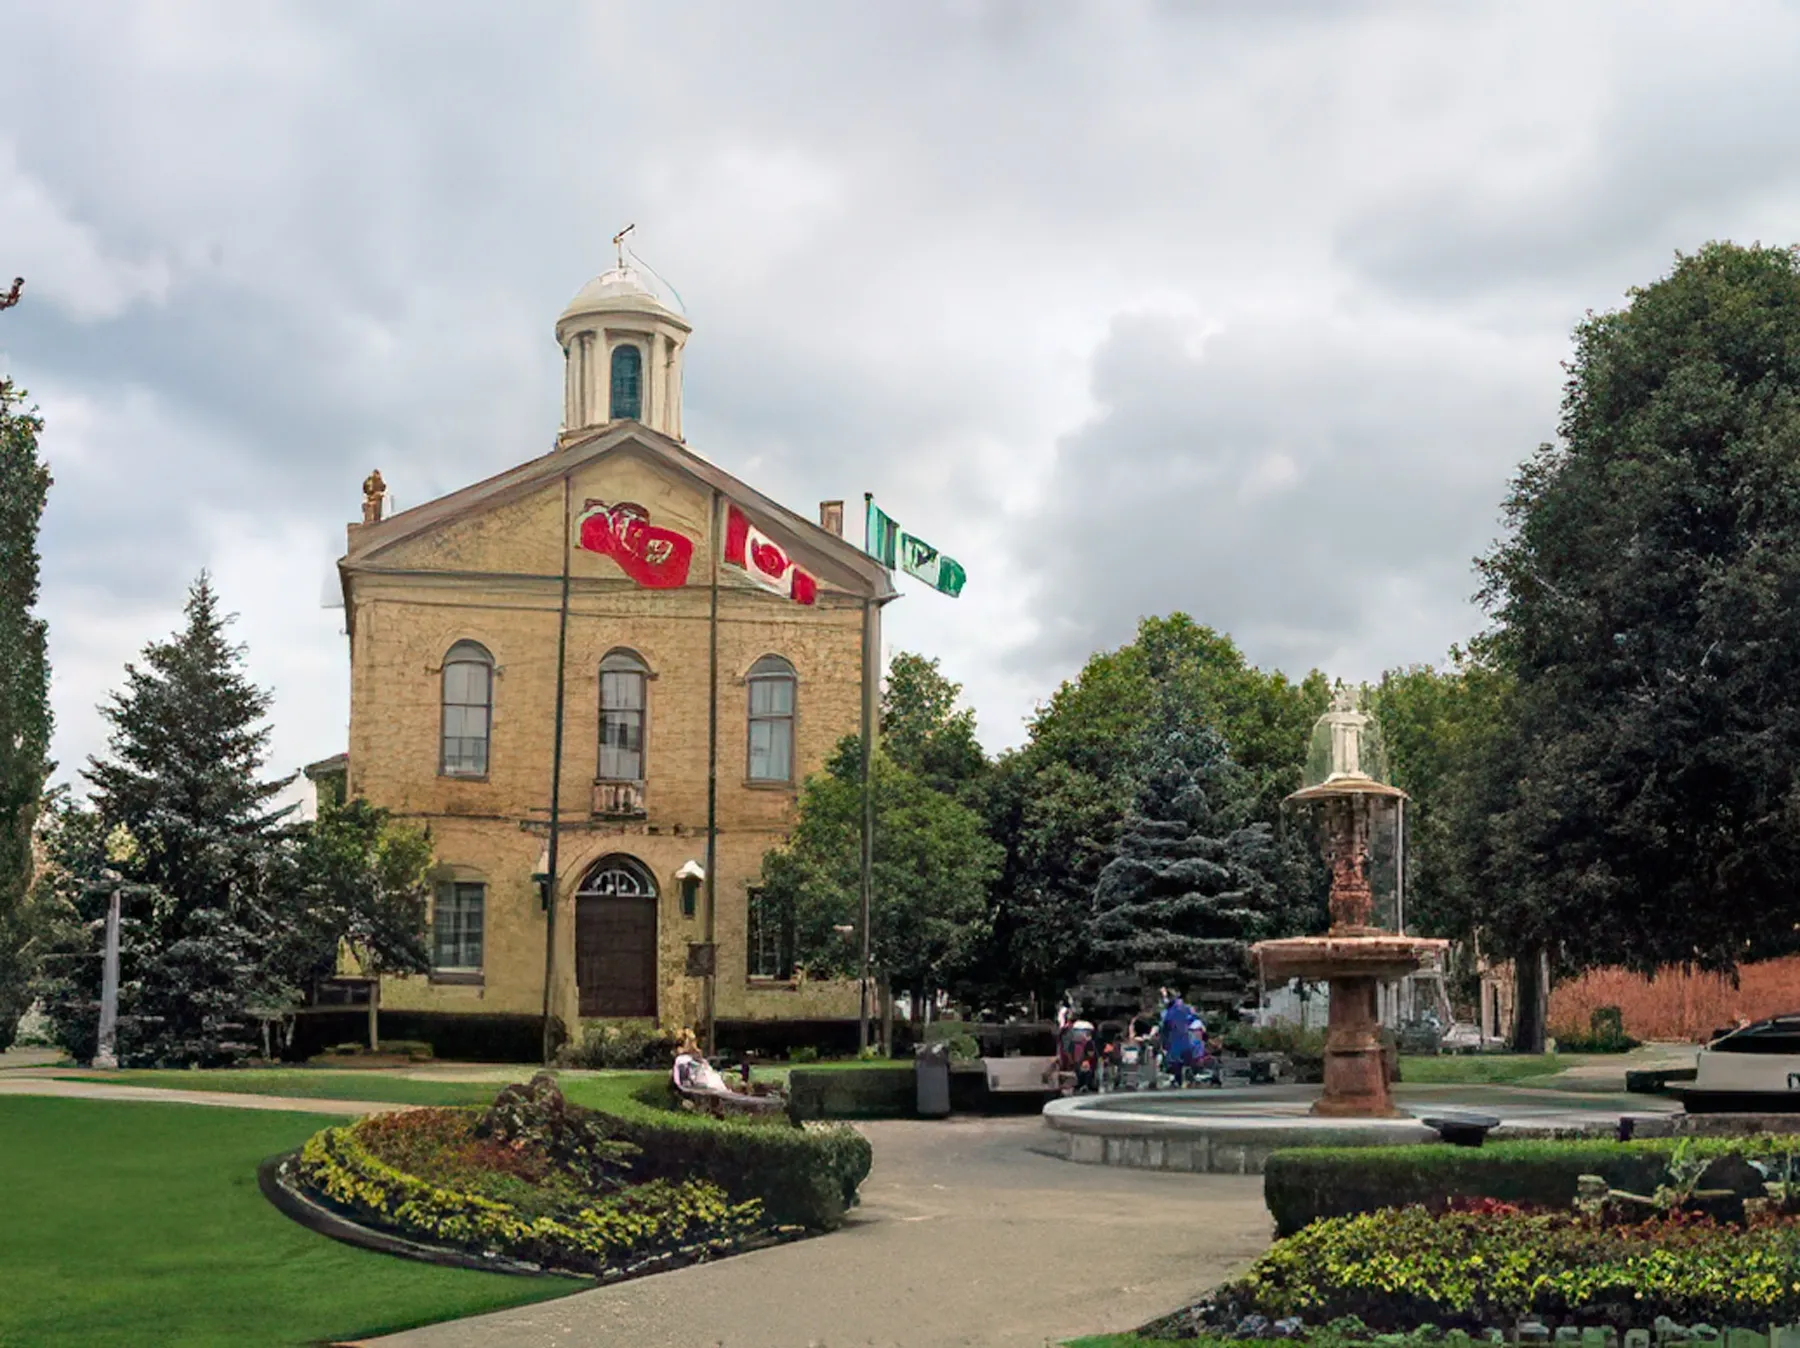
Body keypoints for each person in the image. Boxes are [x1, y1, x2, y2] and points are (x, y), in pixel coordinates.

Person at [1160, 990, 1198, 1087]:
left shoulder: (1169, 1012)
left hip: (1176, 1039)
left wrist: (1164, 1042)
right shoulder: (1184, 1008)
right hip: (1184, 1038)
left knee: (1176, 1061)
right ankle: (1185, 1078)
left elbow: (1165, 1027)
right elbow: (1193, 1018)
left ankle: (1180, 1079)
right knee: (1183, 1060)